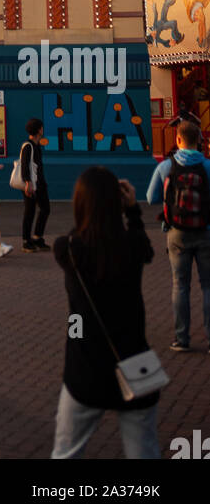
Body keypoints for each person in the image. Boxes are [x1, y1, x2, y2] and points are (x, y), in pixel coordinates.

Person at [51, 168, 160, 460]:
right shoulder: (133, 247)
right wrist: (133, 210)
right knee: (144, 451)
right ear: (117, 204)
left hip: (85, 367)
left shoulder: (69, 249)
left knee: (65, 452)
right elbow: (146, 248)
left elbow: (76, 235)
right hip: (135, 360)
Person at [146, 118, 210, 352]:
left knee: (180, 285)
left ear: (178, 139)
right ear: (199, 141)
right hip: (205, 230)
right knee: (207, 286)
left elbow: (151, 197)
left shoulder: (166, 167)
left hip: (176, 232)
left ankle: (182, 338)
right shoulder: (207, 166)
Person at [20, 117, 51, 253]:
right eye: (41, 127)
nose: (43, 130)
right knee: (30, 211)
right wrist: (28, 183)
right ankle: (26, 241)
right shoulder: (28, 146)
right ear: (39, 130)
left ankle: (37, 237)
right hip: (31, 184)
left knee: (45, 208)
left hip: (40, 183)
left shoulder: (36, 145)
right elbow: (24, 166)